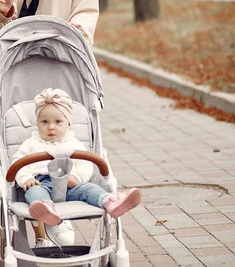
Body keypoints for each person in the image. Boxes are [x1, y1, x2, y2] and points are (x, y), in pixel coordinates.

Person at [11, 88, 141, 248]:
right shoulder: (31, 143)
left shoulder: (73, 143)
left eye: (58, 122)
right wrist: (26, 178)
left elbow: (86, 163)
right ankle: (45, 209)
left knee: (89, 188)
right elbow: (17, 163)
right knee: (34, 193)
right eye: (44, 122)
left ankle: (110, 201)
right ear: (37, 123)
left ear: (69, 124)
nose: (51, 127)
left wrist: (78, 177)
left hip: (70, 186)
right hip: (41, 184)